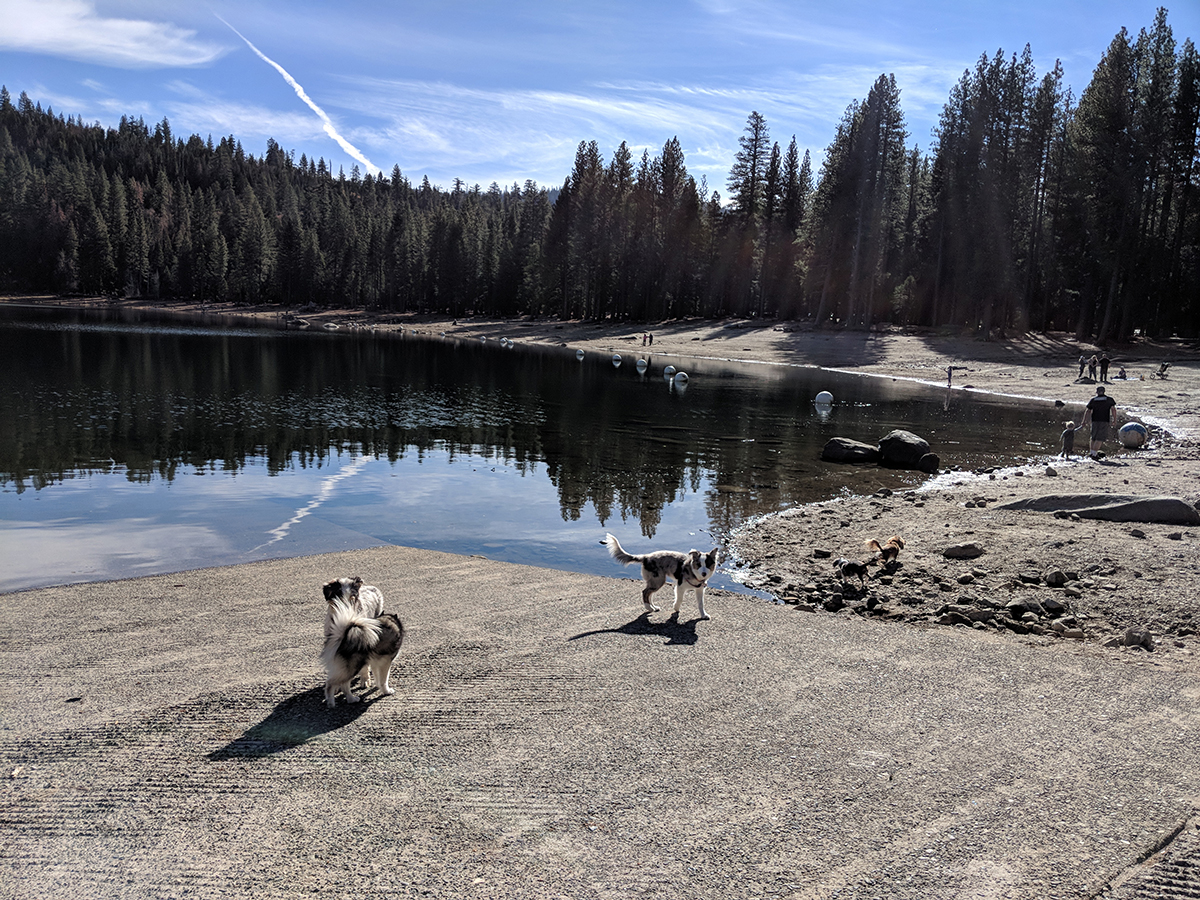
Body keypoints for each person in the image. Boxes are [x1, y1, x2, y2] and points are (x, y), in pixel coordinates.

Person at [1082, 386, 1117, 458]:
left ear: (1097, 392)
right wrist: (1114, 420)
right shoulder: (1109, 400)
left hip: (1094, 421)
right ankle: (1094, 454)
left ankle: (1091, 452)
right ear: (1104, 391)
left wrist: (1084, 421)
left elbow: (1088, 411)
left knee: (1093, 437)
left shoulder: (1093, 400)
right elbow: (1113, 410)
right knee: (1100, 438)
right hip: (1104, 420)